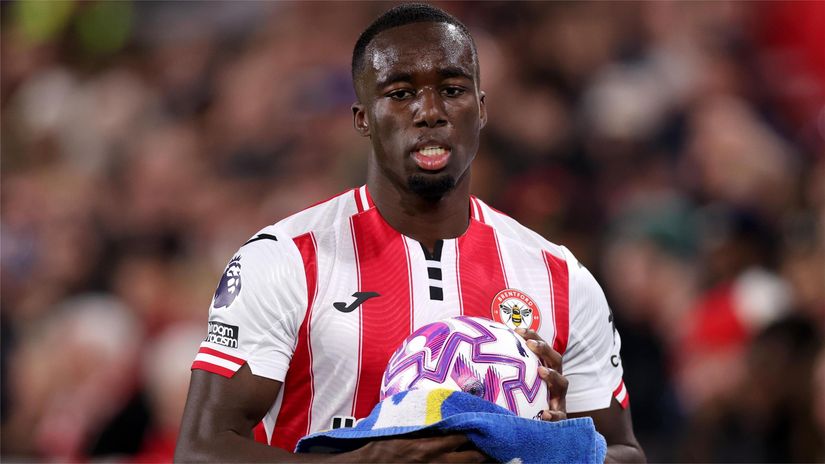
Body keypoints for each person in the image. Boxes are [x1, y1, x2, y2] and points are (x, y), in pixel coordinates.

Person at [175, 4, 645, 462]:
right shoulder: (285, 260)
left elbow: (623, 452)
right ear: (362, 117)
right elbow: (202, 449)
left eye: (453, 89)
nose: (430, 112)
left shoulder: (561, 278)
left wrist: (558, 450)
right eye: (401, 93)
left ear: (481, 110)